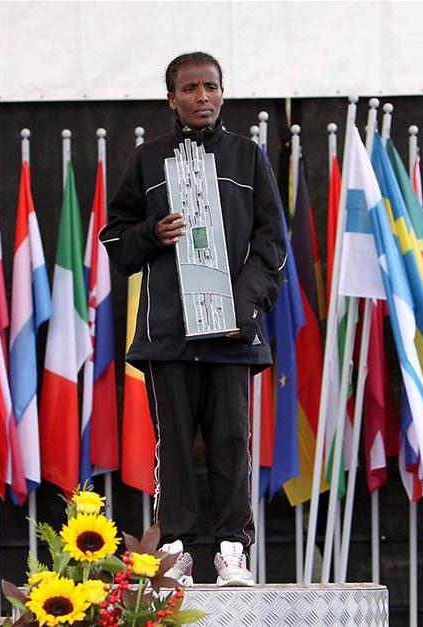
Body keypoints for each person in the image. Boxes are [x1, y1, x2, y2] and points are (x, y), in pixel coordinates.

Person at [100, 51, 286, 587]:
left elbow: (272, 244)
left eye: (211, 86)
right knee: (174, 445)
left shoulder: (248, 157)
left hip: (232, 334)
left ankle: (232, 550)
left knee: (231, 442)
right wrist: (151, 233)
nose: (202, 96)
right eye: (190, 88)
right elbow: (115, 240)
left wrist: (242, 307)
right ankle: (175, 549)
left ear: (223, 93)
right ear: (171, 99)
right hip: (169, 334)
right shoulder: (147, 160)